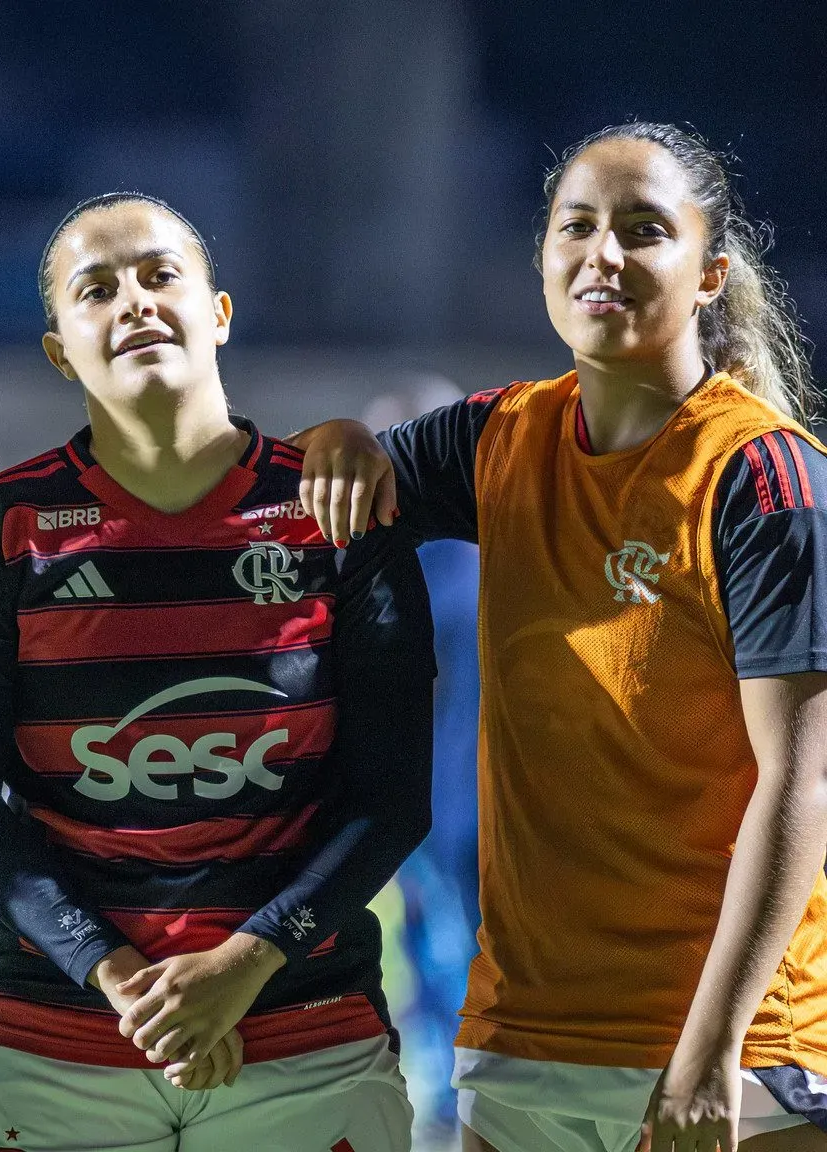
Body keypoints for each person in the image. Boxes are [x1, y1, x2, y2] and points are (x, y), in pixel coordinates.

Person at [295, 123, 827, 1151]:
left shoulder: (761, 479)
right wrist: (339, 438)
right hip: (527, 1038)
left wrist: (710, 1048)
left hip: (731, 1050)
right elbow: (338, 479)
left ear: (709, 272)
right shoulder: (497, 437)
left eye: (643, 230)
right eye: (575, 226)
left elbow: (798, 783)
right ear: (541, 257)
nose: (603, 254)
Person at [0, 191, 436, 1151]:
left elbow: (391, 799)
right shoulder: (0, 524)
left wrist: (247, 962)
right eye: (97, 290)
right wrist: (115, 976)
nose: (135, 303)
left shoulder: (336, 507)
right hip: (57, 1040)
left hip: (305, 1039)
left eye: (161, 277)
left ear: (220, 313)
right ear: (59, 349)